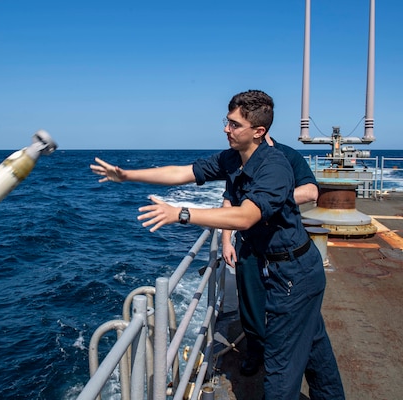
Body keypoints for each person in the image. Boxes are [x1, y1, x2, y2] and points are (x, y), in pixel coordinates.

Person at [90, 89, 344, 399]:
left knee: (280, 369)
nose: (226, 129)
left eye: (235, 124)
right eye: (227, 121)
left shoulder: (275, 167)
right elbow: (182, 172)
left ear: (258, 132)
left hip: (293, 273)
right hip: (280, 267)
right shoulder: (232, 158)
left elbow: (245, 218)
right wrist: (126, 175)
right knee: (315, 347)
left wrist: (181, 213)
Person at [221, 135, 319, 376]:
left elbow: (311, 191)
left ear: (259, 131)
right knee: (250, 303)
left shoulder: (287, 155)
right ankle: (255, 351)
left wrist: (266, 201)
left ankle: (281, 354)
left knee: (284, 305)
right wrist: (226, 240)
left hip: (280, 248)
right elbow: (228, 202)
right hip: (247, 245)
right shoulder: (238, 159)